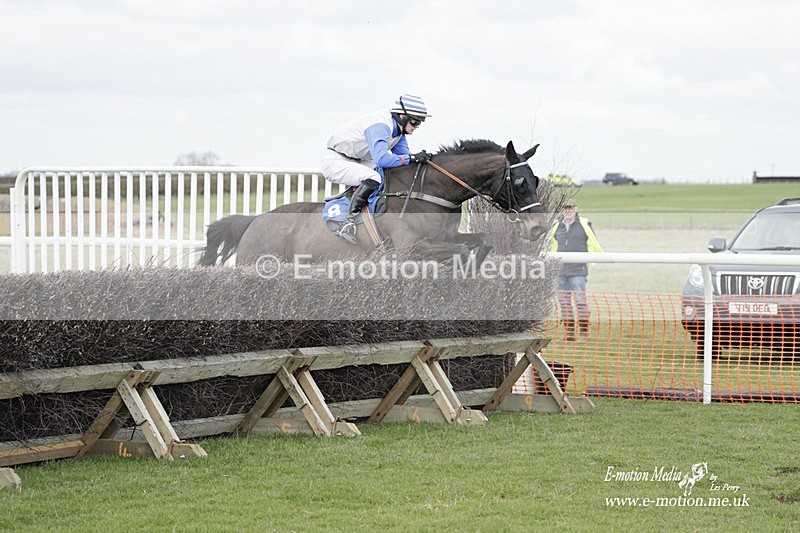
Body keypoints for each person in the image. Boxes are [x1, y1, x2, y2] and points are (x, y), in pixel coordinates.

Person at [321, 94, 432, 244]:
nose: (417, 126)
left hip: (358, 160)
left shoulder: (399, 132)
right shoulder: (380, 126)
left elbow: (404, 157)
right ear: (401, 116)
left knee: (386, 173)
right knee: (374, 177)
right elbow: (383, 159)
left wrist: (420, 160)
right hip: (336, 161)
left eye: (420, 122)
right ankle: (348, 223)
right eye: (415, 121)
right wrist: (412, 158)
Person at [549, 198, 603, 342]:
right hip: (561, 271)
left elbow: (593, 243)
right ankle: (569, 334)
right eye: (566, 208)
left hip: (578, 270)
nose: (568, 210)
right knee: (564, 303)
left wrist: (589, 260)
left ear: (576, 209)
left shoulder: (584, 224)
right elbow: (552, 246)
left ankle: (584, 334)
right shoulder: (556, 226)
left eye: (571, 208)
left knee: (580, 301)